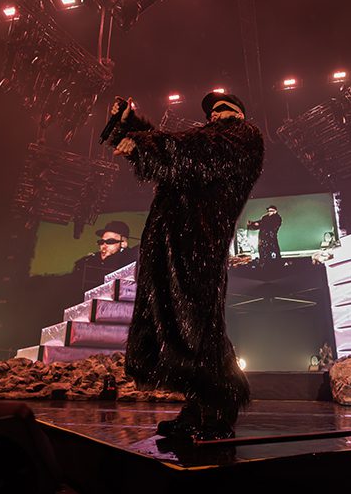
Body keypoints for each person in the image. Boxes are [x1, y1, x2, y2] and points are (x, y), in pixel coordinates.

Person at [109, 91, 264, 440]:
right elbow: (179, 155)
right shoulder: (206, 143)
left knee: (199, 326)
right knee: (179, 324)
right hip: (175, 244)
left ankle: (218, 406)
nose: (216, 114)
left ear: (239, 114)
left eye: (224, 109)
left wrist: (142, 142)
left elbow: (193, 151)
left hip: (199, 245)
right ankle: (199, 407)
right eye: (212, 112)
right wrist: (131, 127)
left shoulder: (243, 137)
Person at [72, 220, 138, 291]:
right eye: (101, 242)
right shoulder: (89, 261)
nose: (104, 246)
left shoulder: (132, 263)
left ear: (123, 243)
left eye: (110, 241)